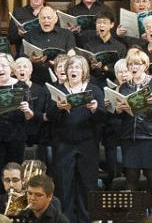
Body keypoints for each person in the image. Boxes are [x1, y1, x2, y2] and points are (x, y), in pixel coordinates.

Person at [113, 50, 152, 217]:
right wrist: (118, 110)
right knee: (131, 178)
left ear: (145, 65)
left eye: (137, 64)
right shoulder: (124, 86)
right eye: (130, 64)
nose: (133, 67)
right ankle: (131, 217)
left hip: (151, 136)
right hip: (129, 137)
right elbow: (118, 115)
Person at [45, 55, 101, 222]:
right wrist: (58, 107)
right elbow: (49, 116)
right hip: (63, 144)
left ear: (84, 71)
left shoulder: (94, 90)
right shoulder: (58, 90)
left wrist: (95, 109)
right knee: (64, 186)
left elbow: (104, 117)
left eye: (77, 67)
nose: (73, 70)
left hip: (87, 144)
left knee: (87, 185)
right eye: (70, 67)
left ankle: (86, 220)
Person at [0, 53, 39, 178]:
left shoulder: (22, 86)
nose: (0, 69)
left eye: (4, 66)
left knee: (14, 173)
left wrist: (27, 110)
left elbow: (30, 116)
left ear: (11, 68)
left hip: (16, 138)